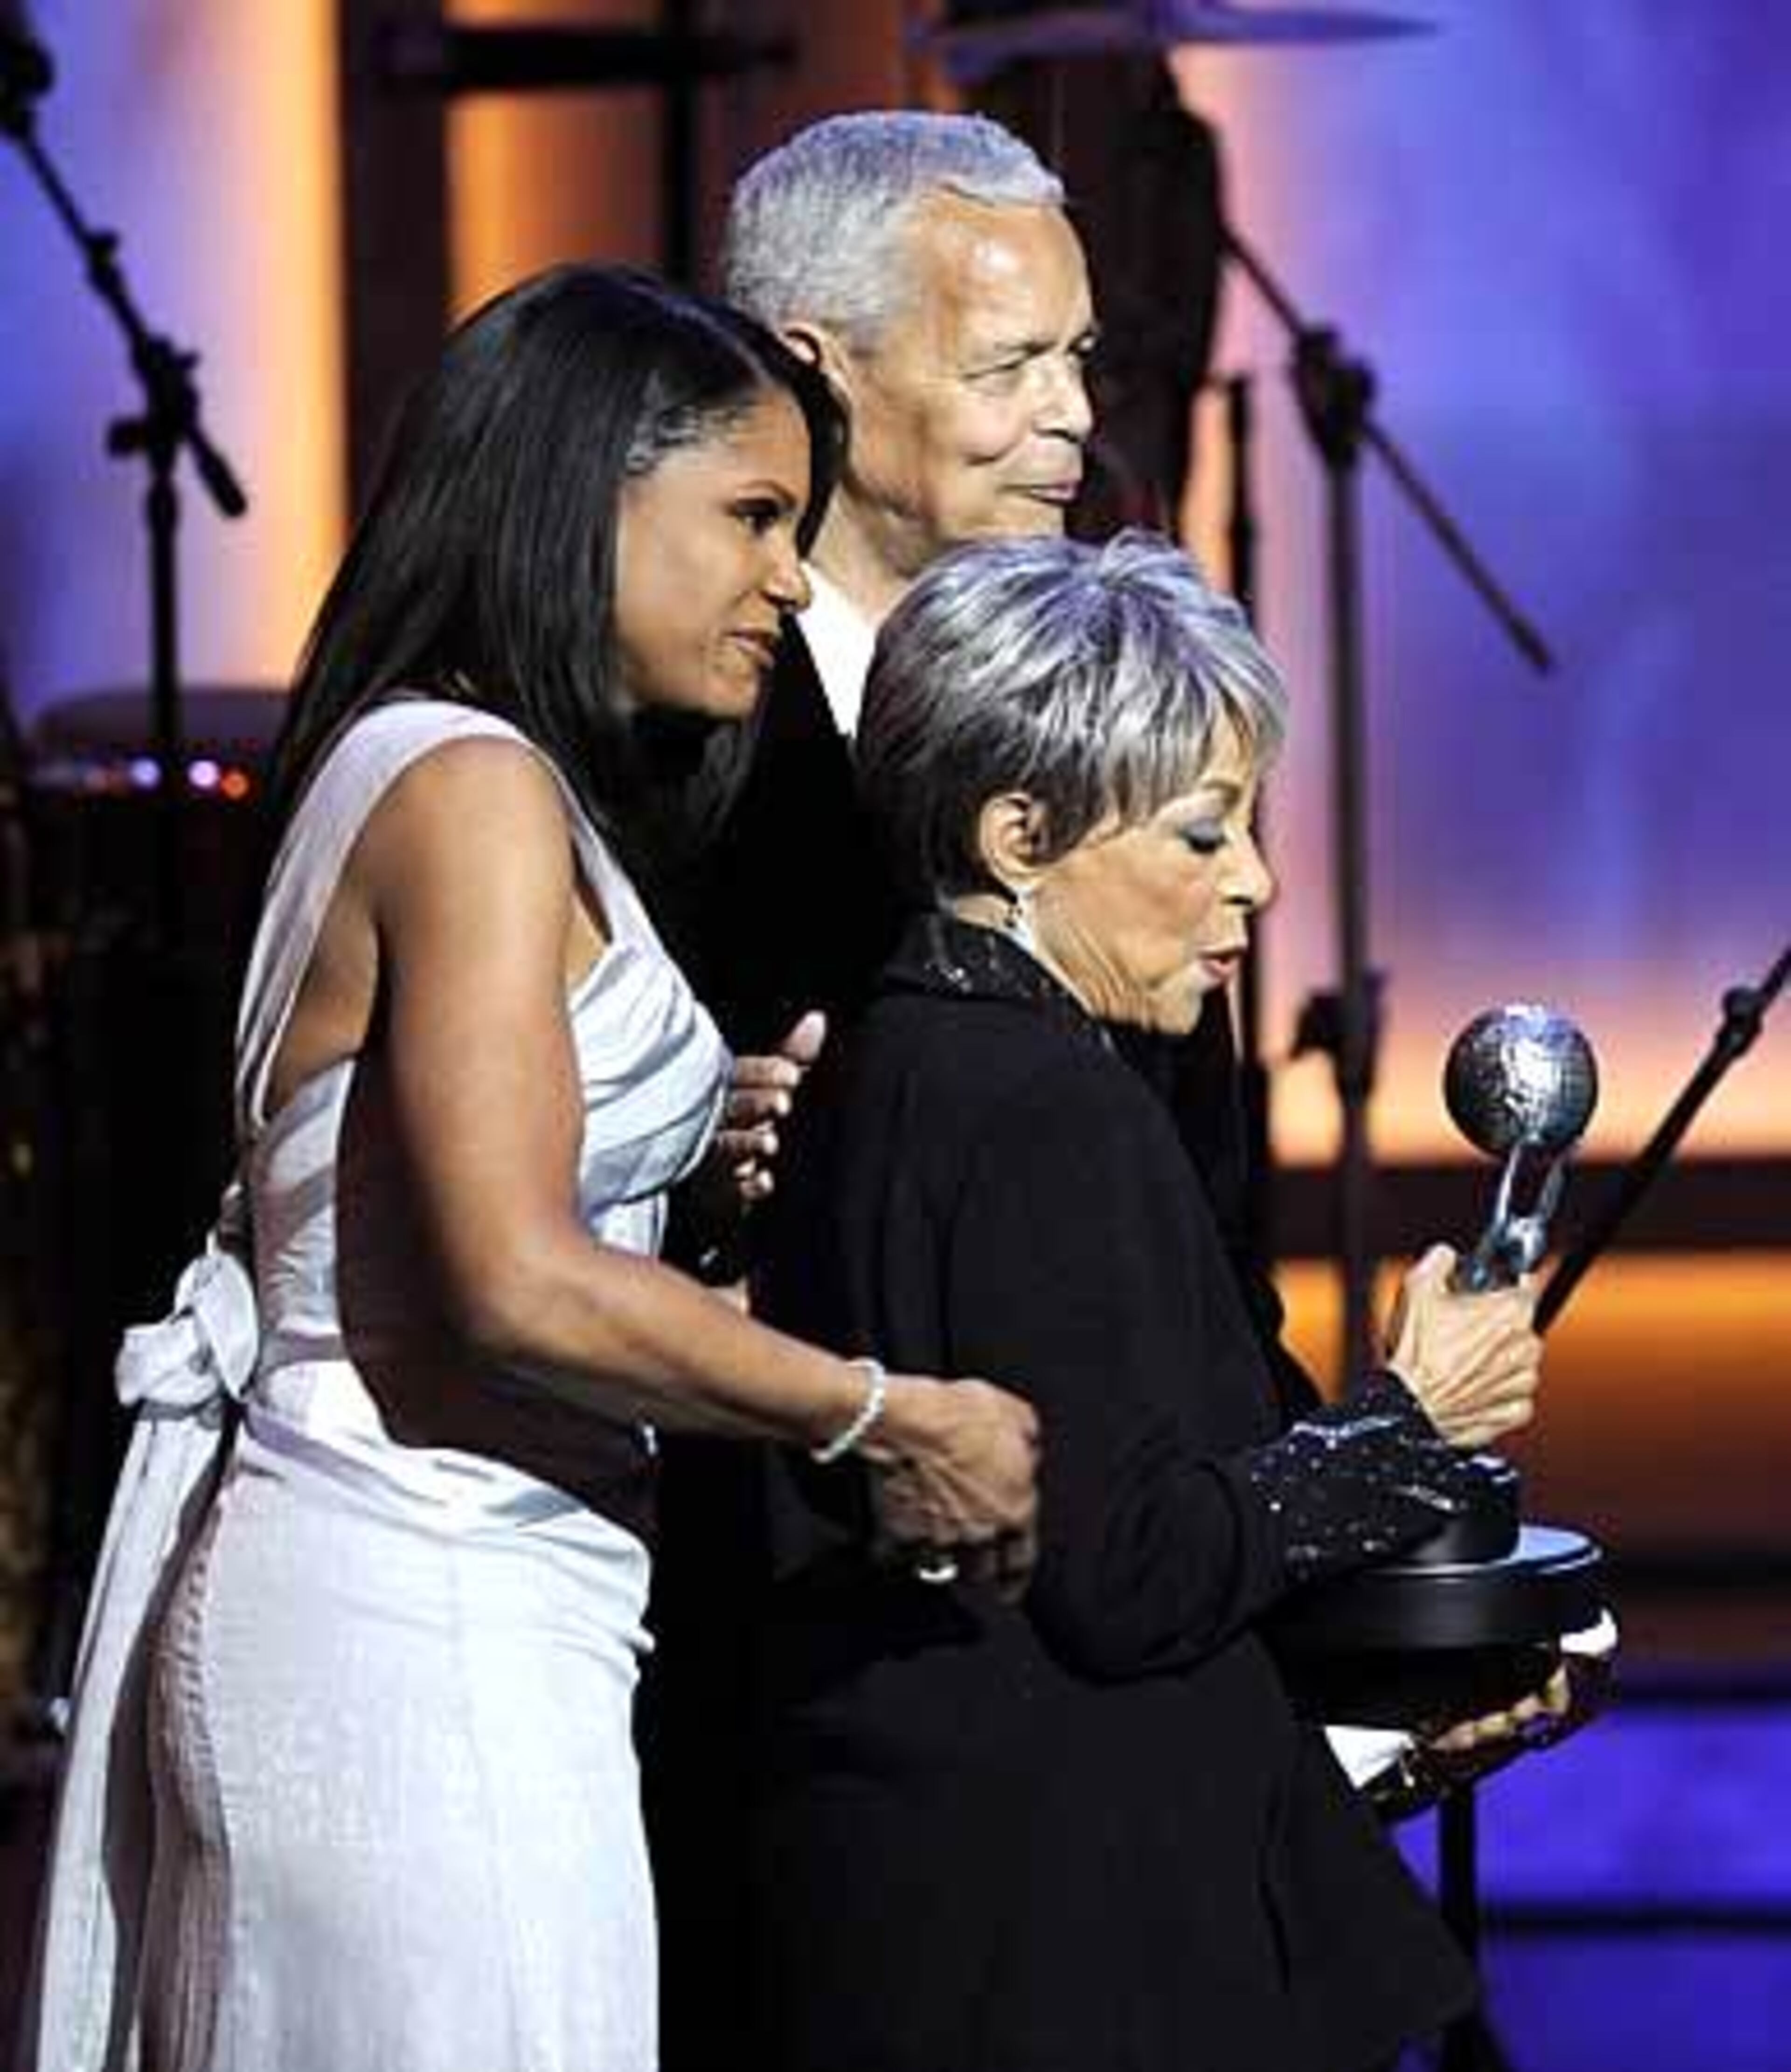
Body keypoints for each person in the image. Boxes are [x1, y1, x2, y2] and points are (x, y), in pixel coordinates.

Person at [20, 264, 1040, 2072]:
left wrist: (677, 1139)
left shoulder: (412, 762)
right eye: (748, 517)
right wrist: (881, 1411)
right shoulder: (473, 789)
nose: (786, 580)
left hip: (428, 1624)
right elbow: (507, 1281)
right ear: (583, 494)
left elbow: (420, 1207)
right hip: (416, 1641)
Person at [739, 531, 1550, 2072]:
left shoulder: (893, 1061)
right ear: (1018, 832)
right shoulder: (1047, 1106)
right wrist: (1407, 1425)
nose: (1254, 879)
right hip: (1065, 1961)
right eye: (1201, 834)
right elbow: (1131, 1573)